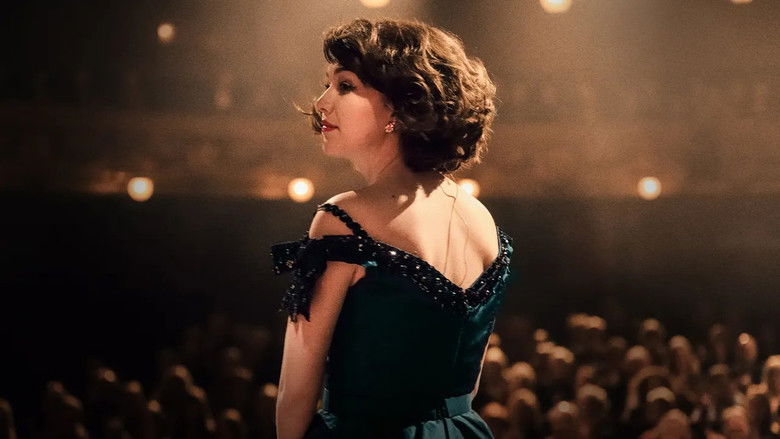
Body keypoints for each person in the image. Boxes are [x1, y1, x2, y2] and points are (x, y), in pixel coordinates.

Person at [270, 17, 514, 438]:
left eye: (345, 86)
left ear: (401, 107)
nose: (321, 102)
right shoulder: (482, 219)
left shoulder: (344, 219)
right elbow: (466, 387)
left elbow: (294, 400)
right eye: (327, 84)